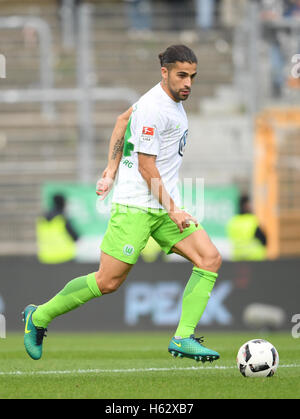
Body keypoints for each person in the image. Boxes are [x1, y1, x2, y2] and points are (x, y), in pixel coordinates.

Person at [23, 45, 222, 363]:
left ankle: (183, 337)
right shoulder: (154, 107)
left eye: (192, 77)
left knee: (209, 259)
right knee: (108, 281)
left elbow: (121, 120)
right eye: (182, 75)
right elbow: (146, 167)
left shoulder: (162, 103)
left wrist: (111, 169)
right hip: (136, 206)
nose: (188, 83)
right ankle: (39, 317)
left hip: (161, 206)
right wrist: (173, 208)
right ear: (165, 72)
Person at [36, 194, 79, 264]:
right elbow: (75, 237)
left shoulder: (41, 219)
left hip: (46, 257)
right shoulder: (62, 218)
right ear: (63, 203)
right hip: (64, 257)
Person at [227, 195, 267, 261]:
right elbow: (264, 240)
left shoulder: (233, 222)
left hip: (238, 258)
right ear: (246, 206)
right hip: (254, 258)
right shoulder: (252, 221)